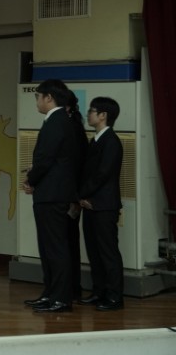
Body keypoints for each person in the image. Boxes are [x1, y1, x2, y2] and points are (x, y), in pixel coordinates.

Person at [22, 79, 79, 313]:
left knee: (55, 247)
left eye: (38, 96)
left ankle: (61, 298)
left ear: (49, 98)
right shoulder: (57, 120)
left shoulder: (57, 121)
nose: (36, 101)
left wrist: (31, 179)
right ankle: (50, 294)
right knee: (47, 248)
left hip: (53, 194)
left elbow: (46, 159)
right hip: (50, 193)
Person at [78, 97, 125, 311]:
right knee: (94, 252)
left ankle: (114, 297)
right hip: (90, 204)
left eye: (92, 110)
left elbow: (103, 175)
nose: (88, 114)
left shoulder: (111, 141)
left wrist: (82, 195)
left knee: (108, 252)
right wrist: (82, 198)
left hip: (104, 206)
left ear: (103, 115)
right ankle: (99, 292)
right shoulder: (95, 140)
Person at [66, 90, 89, 302]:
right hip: (73, 195)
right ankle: (72, 288)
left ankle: (70, 289)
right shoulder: (76, 128)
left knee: (66, 243)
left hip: (68, 195)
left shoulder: (69, 129)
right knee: (70, 242)